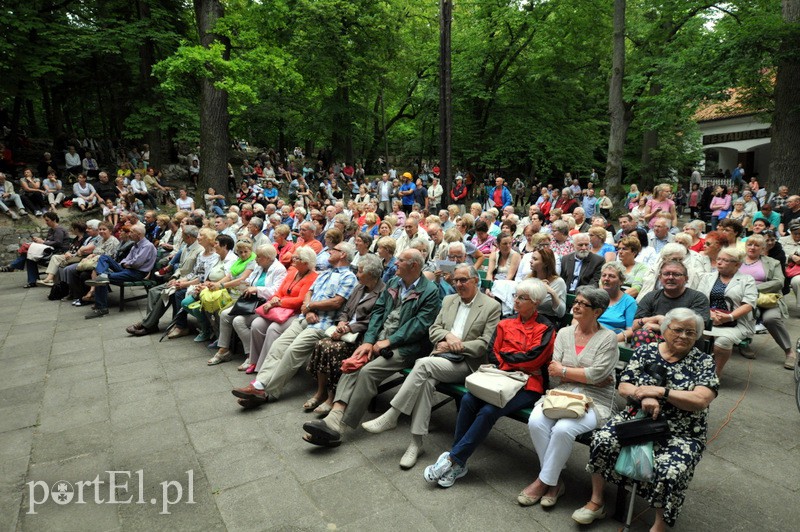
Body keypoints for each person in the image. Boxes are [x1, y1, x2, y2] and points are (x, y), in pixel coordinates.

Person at [575, 308, 718, 530]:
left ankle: (659, 524)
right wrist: (645, 396)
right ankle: (596, 501)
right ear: (664, 329)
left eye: (691, 332)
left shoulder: (703, 361)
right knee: (603, 440)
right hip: (637, 418)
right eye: (678, 330)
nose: (683, 336)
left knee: (670, 468)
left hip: (681, 429)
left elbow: (701, 399)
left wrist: (662, 392)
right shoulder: (646, 351)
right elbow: (624, 386)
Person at [361, 265, 500, 468]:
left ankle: (393, 415)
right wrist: (446, 336)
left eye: (463, 280)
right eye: (455, 281)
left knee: (423, 364)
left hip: (467, 363)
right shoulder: (449, 300)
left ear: (476, 280)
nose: (458, 285)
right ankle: (415, 444)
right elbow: (433, 329)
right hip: (441, 358)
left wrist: (456, 346)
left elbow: (483, 344)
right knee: (425, 381)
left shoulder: (490, 306)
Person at [420, 279, 555, 488]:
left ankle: (452, 459)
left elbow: (535, 360)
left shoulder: (545, 327)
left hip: (529, 385)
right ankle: (458, 461)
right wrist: (515, 360)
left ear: (536, 302)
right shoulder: (505, 322)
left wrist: (509, 358)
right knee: (467, 398)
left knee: (490, 411)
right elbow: (493, 352)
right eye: (515, 296)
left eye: (522, 297)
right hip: (499, 379)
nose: (515, 301)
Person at [300, 249, 441, 448]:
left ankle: (341, 427)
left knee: (367, 371)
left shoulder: (430, 292)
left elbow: (418, 326)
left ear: (414, 265)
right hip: (379, 341)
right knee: (352, 363)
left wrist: (389, 341)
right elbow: (378, 312)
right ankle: (333, 418)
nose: (396, 263)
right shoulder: (394, 283)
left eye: (401, 260)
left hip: (407, 347)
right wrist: (368, 341)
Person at [520, 287, 618, 508]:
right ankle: (555, 481)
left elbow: (595, 376)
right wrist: (585, 375)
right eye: (577, 301)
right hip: (561, 394)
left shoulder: (607, 338)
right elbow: (554, 373)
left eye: (584, 304)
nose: (576, 306)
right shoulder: (564, 333)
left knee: (563, 429)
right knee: (536, 422)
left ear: (598, 311)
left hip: (596, 399)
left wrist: (570, 372)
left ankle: (544, 482)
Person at [230, 242, 358, 408]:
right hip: (306, 317)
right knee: (278, 346)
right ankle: (258, 385)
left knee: (292, 351)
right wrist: (308, 308)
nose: (329, 252)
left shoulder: (348, 276)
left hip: (322, 324)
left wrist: (310, 307)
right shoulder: (326, 273)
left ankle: (268, 392)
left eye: (333, 250)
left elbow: (336, 302)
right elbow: (309, 293)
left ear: (342, 254)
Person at [303, 254, 385, 414]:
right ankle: (321, 392)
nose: (357, 274)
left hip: (362, 335)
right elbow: (346, 310)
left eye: (360, 271)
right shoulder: (359, 287)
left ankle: (332, 396)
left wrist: (350, 328)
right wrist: (341, 322)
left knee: (332, 349)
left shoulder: (383, 292)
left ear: (371, 274)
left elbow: (375, 320)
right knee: (321, 344)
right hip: (344, 329)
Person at [207, 245, 287, 364]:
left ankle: (252, 355)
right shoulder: (259, 266)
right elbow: (249, 281)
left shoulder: (279, 269)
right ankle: (223, 350)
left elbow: (276, 291)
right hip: (251, 301)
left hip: (265, 304)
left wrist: (256, 289)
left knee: (238, 321)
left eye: (259, 257)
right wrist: (244, 286)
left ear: (268, 258)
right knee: (224, 314)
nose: (256, 259)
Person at [243, 247, 318, 374]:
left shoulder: (312, 277)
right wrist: (274, 300)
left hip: (295, 313)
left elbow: (300, 300)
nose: (293, 259)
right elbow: (279, 291)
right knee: (256, 324)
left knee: (273, 329)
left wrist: (277, 302)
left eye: (297, 258)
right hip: (278, 309)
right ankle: (254, 361)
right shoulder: (292, 272)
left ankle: (265, 367)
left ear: (306, 262)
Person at [696, 247, 757, 376]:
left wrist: (729, 317)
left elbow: (748, 305)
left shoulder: (747, 280)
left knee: (723, 341)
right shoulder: (708, 277)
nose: (719, 262)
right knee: (695, 335)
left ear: (737, 264)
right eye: (718, 259)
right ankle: (697, 369)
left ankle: (715, 374)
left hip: (736, 322)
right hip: (709, 319)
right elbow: (699, 300)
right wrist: (709, 315)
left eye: (725, 260)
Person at [620, 260, 709, 348]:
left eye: (676, 274)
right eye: (666, 274)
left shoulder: (698, 298)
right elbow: (635, 326)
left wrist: (659, 326)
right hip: (652, 344)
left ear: (686, 278)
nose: (670, 277)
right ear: (660, 278)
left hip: (685, 344)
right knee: (641, 334)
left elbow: (696, 328)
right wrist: (656, 318)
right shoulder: (651, 296)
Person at [739, 235, 797, 369]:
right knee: (746, 314)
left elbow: (779, 282)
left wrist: (753, 288)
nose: (752, 247)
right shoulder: (738, 261)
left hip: (767, 299)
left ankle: (789, 351)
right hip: (744, 299)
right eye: (750, 244)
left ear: (763, 248)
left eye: (756, 245)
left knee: (771, 319)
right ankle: (744, 344)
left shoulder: (772, 262)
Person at [83, 224, 157, 319]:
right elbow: (126, 260)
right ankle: (102, 274)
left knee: (100, 279)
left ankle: (101, 308)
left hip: (137, 273)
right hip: (127, 269)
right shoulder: (135, 245)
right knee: (104, 257)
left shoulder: (147, 246)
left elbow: (137, 263)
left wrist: (127, 263)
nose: (129, 234)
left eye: (131, 232)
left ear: (139, 234)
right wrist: (125, 264)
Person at [0, 212, 70, 287]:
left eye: (47, 220)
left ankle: (13, 267)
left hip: (57, 252)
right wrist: (40, 240)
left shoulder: (58, 230)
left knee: (29, 253)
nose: (46, 222)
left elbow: (58, 243)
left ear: (54, 220)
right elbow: (49, 241)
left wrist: (43, 242)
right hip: (50, 251)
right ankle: (30, 279)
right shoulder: (51, 230)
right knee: (30, 255)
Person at [596, 262, 637, 335]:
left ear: (621, 281)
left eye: (611, 276)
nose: (606, 278)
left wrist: (612, 340)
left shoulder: (629, 302)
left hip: (613, 340)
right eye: (604, 275)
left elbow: (630, 331)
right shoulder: (595, 297)